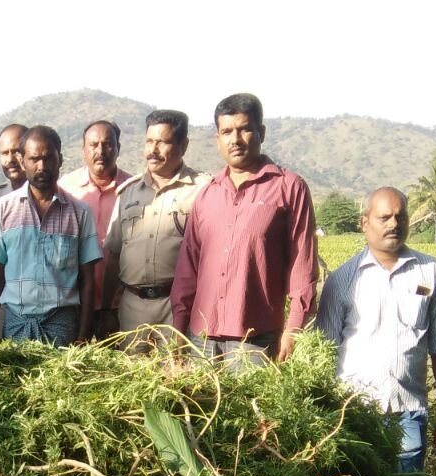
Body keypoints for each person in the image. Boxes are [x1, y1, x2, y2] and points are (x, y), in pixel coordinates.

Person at [316, 187, 436, 472]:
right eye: (385, 218)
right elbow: (323, 353)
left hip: (408, 414)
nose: (394, 224)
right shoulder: (342, 280)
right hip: (354, 416)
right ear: (364, 222)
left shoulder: (432, 271)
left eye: (400, 217)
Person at [171, 93, 317, 367]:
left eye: (244, 129)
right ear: (217, 139)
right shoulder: (207, 194)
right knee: (199, 410)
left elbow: (303, 267)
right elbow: (187, 269)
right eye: (226, 132)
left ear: (261, 131)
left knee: (255, 411)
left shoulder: (288, 188)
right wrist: (179, 329)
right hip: (201, 339)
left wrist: (294, 329)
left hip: (256, 340)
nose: (235, 140)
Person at [0, 125, 102, 345]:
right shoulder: (1, 209)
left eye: (48, 158)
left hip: (62, 326)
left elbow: (87, 280)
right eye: (34, 158)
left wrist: (83, 334)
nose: (41, 166)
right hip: (15, 324)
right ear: (22, 159)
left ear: (60, 159)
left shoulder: (80, 213)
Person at [102, 110, 211, 352]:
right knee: (131, 382)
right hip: (132, 308)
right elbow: (114, 256)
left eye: (162, 142)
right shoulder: (128, 193)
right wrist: (106, 309)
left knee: (174, 380)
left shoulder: (203, 190)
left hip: (178, 308)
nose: (153, 150)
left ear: (183, 145)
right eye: (149, 141)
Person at [58, 120, 131, 335]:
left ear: (118, 148)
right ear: (83, 149)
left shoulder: (133, 188)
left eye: (108, 144)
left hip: (120, 307)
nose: (100, 151)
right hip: (74, 304)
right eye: (94, 144)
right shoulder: (65, 188)